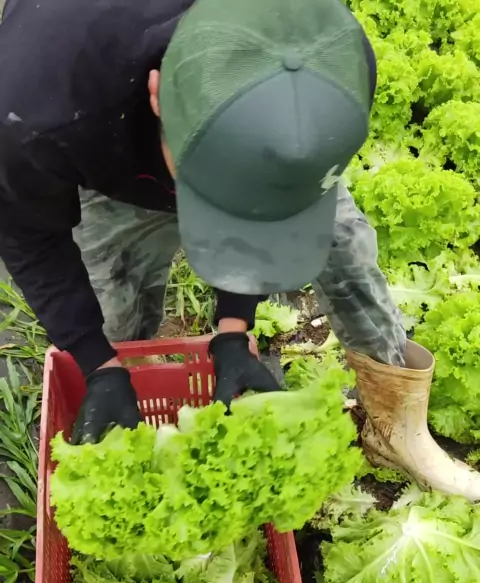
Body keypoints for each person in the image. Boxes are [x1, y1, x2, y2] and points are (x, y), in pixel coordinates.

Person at [0, 0, 478, 499]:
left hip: (239, 135)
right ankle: (125, 404)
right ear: (158, 92)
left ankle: (398, 429)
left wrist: (234, 328)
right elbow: (30, 236)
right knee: (113, 310)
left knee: (346, 247)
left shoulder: (332, 55)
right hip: (106, 135)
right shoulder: (37, 106)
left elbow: (266, 213)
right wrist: (97, 362)